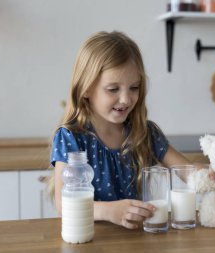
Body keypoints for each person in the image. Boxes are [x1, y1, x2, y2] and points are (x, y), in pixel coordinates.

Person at [50, 31, 205, 229]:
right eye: (113, 89)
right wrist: (108, 211)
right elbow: (63, 205)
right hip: (91, 239)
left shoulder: (145, 132)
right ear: (86, 89)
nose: (126, 99)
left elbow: (188, 172)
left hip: (137, 241)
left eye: (134, 87)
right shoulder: (72, 137)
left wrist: (212, 175)